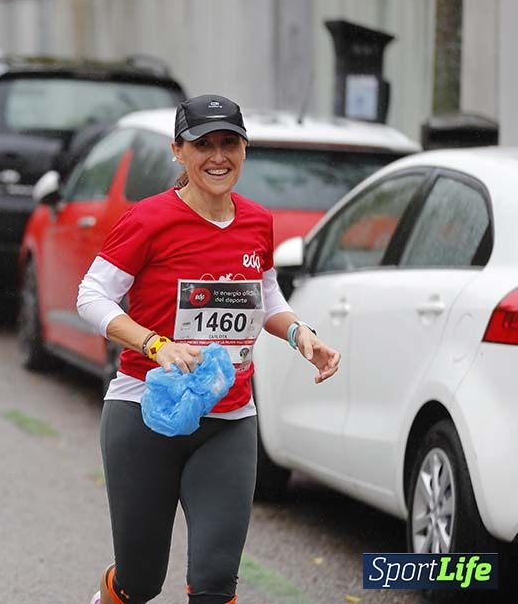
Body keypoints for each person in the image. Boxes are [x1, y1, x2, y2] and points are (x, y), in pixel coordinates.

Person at [77, 94, 341, 604]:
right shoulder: (148, 220)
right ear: (179, 151)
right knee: (141, 581)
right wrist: (155, 344)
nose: (218, 156)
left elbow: (263, 297)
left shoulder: (257, 221)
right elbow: (91, 295)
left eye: (229, 143)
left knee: (216, 582)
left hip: (229, 419)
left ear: (244, 149)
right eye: (203, 145)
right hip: (144, 414)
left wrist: (299, 333)